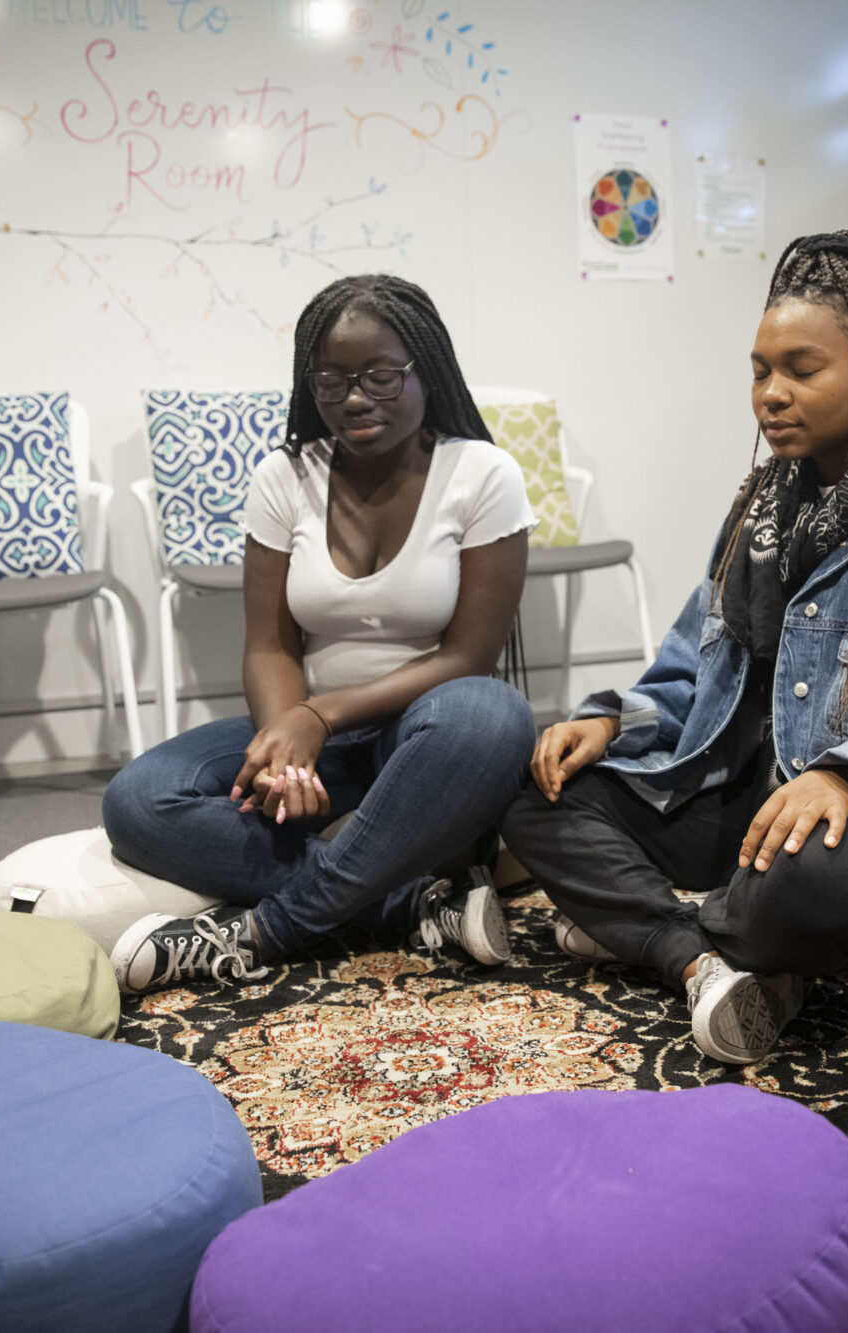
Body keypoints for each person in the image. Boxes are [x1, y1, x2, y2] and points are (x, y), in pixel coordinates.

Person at [501, 231, 848, 1065]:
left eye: (803, 369)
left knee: (799, 884)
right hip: (755, 798)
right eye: (760, 371)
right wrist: (613, 722)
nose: (772, 393)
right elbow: (696, 665)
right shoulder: (758, 510)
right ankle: (695, 956)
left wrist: (845, 772)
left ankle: (645, 925)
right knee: (538, 790)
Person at [103, 274, 538, 993]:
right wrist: (286, 752)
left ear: (424, 367)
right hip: (319, 740)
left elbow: (468, 657)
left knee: (493, 714)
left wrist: (317, 713)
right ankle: (407, 903)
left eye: (379, 376)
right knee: (140, 800)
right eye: (331, 381)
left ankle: (267, 929)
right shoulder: (283, 476)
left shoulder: (482, 474)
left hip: (431, 738)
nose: (355, 399)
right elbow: (269, 643)